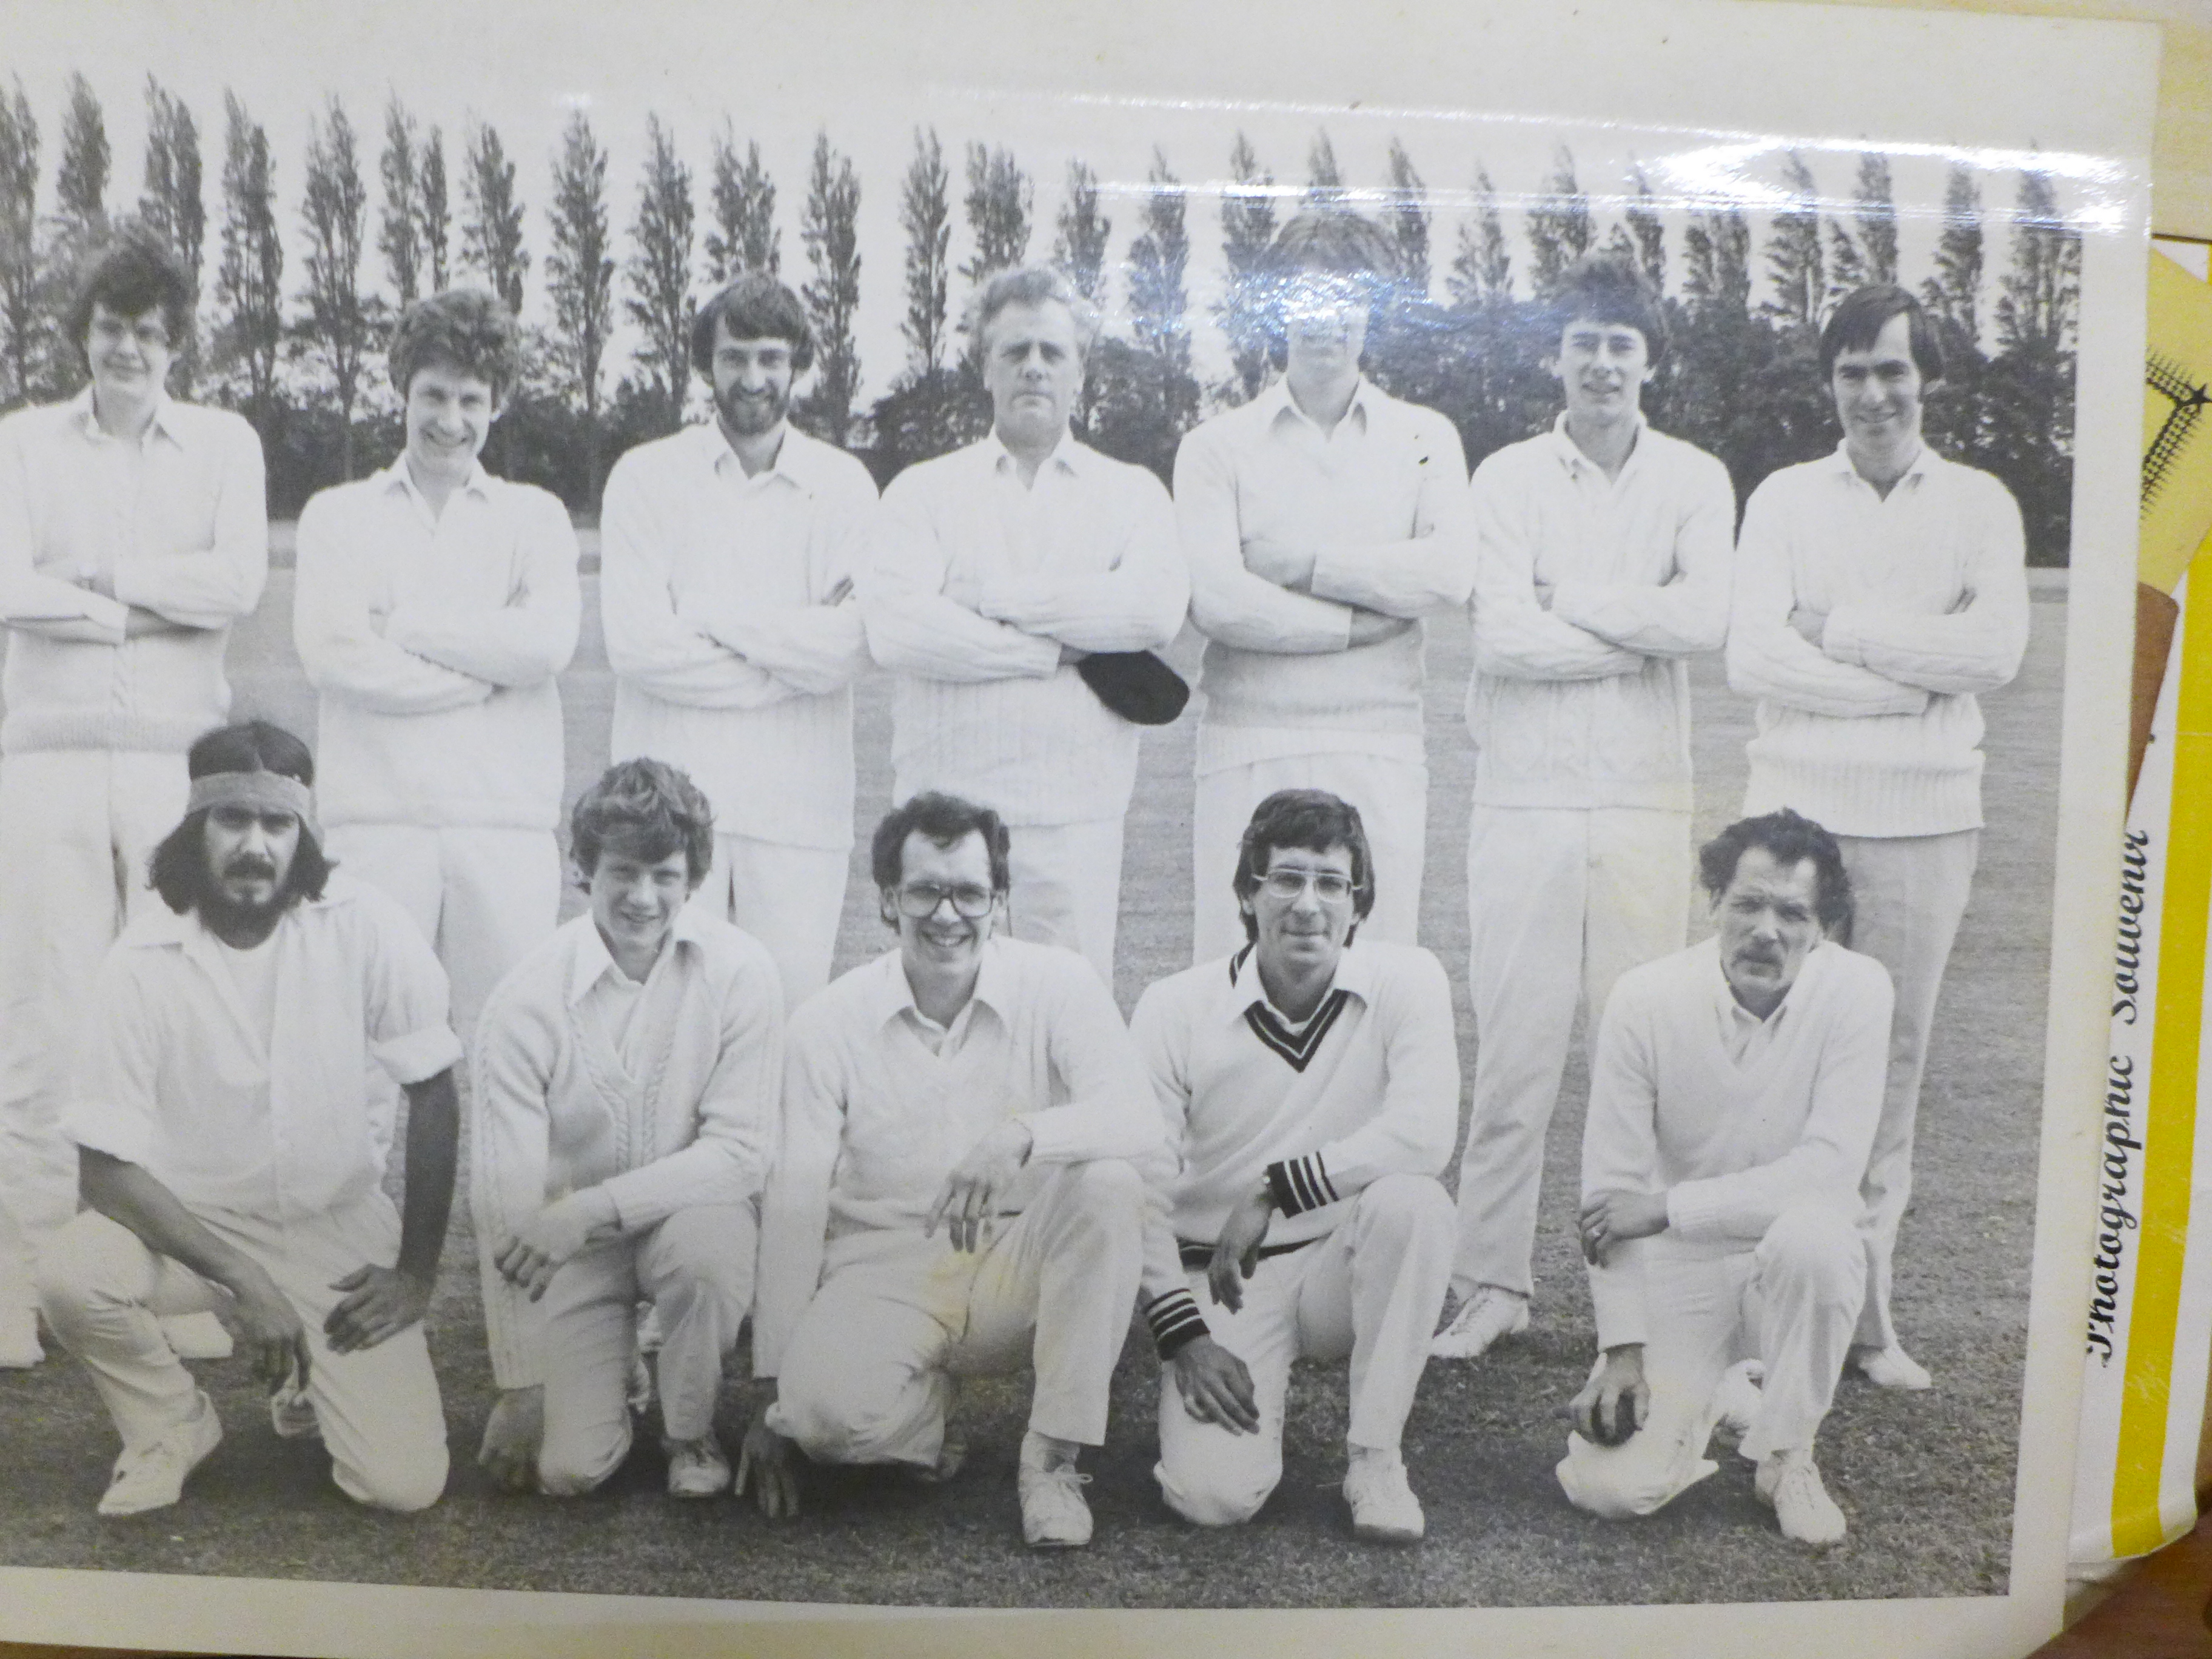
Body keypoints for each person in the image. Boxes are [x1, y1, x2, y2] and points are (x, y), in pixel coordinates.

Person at [35, 720, 458, 1518]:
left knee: (402, 1487)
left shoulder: (364, 921)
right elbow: (105, 1170)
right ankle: (172, 1426)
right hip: (190, 1232)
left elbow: (433, 1086)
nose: (255, 845)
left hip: (333, 1226)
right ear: (197, 828)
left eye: (277, 824)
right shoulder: (140, 959)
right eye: (234, 820)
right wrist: (245, 1278)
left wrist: (415, 1274)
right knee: (71, 1274)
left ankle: (315, 1382)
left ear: (304, 833)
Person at [1726, 283, 2030, 1391]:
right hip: (1794, 819)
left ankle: (1863, 1319)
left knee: (1888, 1068)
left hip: (1923, 820)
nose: (1872, 393)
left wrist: (1840, 634)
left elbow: (1991, 654)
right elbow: (1750, 658)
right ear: (1828, 383)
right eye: (1851, 371)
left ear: (1927, 379)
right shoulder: (1781, 498)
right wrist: (1899, 688)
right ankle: (1757, 1317)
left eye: (1892, 369)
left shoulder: (1982, 503)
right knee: (1768, 1051)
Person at [1435, 252, 1735, 1362]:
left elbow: (1704, 617)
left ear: (1647, 359)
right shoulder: (1505, 479)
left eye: (1620, 343)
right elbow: (1501, 637)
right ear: (1553, 357)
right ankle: (1488, 1282)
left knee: (1634, 1050)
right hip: (1522, 796)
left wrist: (1577, 603)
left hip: (1647, 802)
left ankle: (1637, 1287)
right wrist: (1627, 625)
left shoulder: (1695, 478)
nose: (1601, 363)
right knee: (1514, 1050)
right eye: (1582, 343)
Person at [739, 792, 1160, 1548]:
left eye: (969, 893)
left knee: (1110, 1185)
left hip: (1014, 1267)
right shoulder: (827, 1021)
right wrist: (774, 1395)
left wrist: (1021, 1137)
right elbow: (796, 1201)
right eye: (925, 891)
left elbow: (1138, 1118)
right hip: (882, 1269)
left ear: (998, 900)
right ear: (887, 902)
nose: (946, 915)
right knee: (822, 1424)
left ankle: (1052, 1463)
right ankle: (927, 1419)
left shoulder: (1058, 981)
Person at [0, 234, 267, 1368]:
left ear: (176, 342)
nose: (128, 349)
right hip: (47, 761)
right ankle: (17, 1282)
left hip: (171, 770)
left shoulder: (223, 442)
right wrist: (147, 607)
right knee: (41, 1025)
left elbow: (237, 583)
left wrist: (99, 585)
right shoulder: (21, 442)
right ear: (86, 335)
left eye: (150, 332)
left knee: (170, 1020)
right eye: (112, 328)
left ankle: (174, 1285)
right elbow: (4, 585)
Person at [1559, 810, 1891, 1546]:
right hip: (1683, 1272)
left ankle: (1786, 1456)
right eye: (1747, 904)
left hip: (1787, 1263)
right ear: (1714, 904)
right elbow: (1610, 1197)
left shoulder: (1860, 990)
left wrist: (1670, 1206)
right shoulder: (1645, 998)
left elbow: (1830, 1172)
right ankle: (1711, 1394)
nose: (1766, 930)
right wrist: (1622, 1351)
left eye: (1792, 913)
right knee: (1608, 1490)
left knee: (1820, 1238)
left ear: (1823, 927)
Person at [1131, 789, 1456, 1541]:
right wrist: (1185, 1336)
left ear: (1358, 901)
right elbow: (1139, 1185)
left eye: (1331, 884)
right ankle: (1218, 1409)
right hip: (1224, 1280)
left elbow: (1425, 1135)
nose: (1308, 905)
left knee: (1415, 1203)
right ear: (1248, 893)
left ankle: (1375, 1457)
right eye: (1286, 879)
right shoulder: (1173, 1006)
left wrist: (1275, 1188)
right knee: (1211, 1499)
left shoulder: (1409, 980)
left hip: (1343, 1266)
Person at [861, 264, 1187, 987]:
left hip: (1077, 820)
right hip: (942, 823)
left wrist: (992, 596)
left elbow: (1152, 612)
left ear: (1080, 370)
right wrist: (1058, 650)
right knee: (939, 1025)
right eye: (1014, 353)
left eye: (1052, 352)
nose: (1034, 368)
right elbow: (898, 631)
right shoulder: (923, 492)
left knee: (1064, 1030)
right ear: (985, 367)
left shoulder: (1132, 493)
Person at [469, 758, 782, 1500]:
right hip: (569, 1250)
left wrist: (589, 1209)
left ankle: (689, 1430)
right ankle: (616, 1366)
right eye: (623, 872)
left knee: (709, 1256)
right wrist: (520, 1385)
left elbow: (742, 1155)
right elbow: (502, 1202)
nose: (644, 898)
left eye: (666, 875)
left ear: (693, 877)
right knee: (569, 1472)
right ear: (585, 870)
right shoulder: (522, 1003)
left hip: (684, 1218)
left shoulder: (741, 971)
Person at [1177, 209, 1475, 962]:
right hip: (1247, 740)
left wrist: (1302, 564)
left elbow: (1447, 572)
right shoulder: (1216, 446)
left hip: (1380, 744)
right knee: (1234, 973)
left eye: (1345, 300)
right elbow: (1217, 601)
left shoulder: (1426, 436)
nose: (1323, 322)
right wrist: (1356, 625)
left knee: (1373, 977)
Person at [292, 287, 581, 1045]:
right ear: (402, 390)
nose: (450, 420)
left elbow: (545, 646)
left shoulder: (536, 517)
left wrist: (408, 629)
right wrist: (485, 675)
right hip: (375, 825)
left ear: (499, 403)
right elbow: (337, 658)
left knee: (508, 1051)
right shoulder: (338, 513)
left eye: (471, 399)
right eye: (433, 395)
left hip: (505, 827)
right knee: (363, 1055)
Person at [599, 273, 877, 1007]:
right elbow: (639, 649)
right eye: (734, 358)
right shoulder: (645, 477)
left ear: (797, 364)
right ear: (706, 365)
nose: (753, 378)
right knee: (662, 1026)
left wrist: (713, 619)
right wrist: (791, 655)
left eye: (770, 358)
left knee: (784, 1035)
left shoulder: (844, 485)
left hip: (801, 814)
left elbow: (849, 650)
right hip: (666, 818)